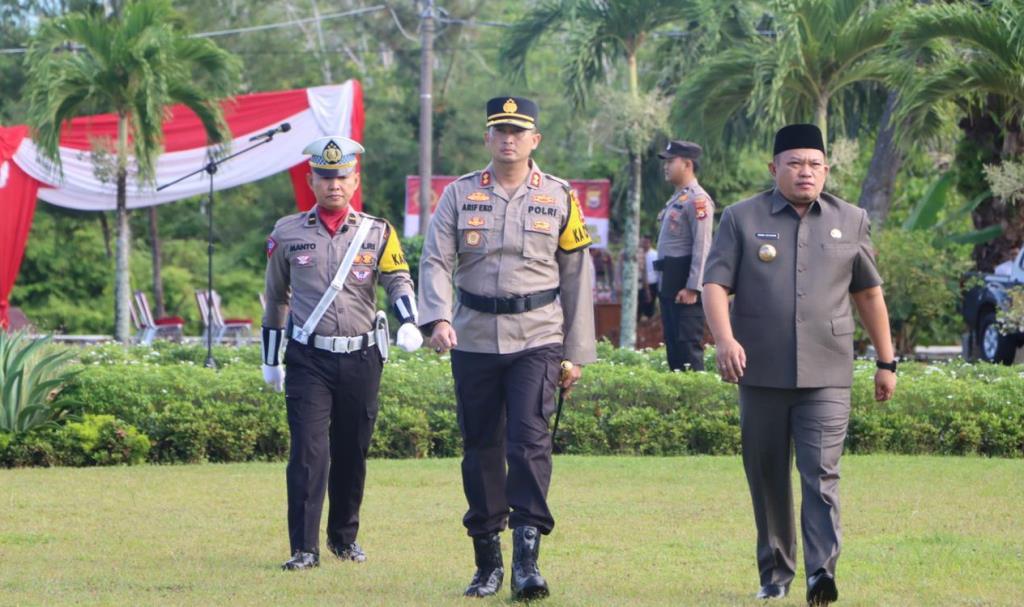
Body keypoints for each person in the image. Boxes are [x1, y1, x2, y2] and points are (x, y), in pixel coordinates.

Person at [702, 124, 897, 605]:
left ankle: (820, 574)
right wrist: (724, 340)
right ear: (774, 169)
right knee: (767, 475)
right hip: (760, 370)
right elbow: (714, 285)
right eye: (794, 162)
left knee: (821, 473)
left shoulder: (851, 219)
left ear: (826, 169)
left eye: (813, 163)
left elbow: (868, 293)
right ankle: (775, 573)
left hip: (828, 372)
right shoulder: (741, 218)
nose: (804, 171)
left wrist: (886, 360)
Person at [418, 96, 596, 600]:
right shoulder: (458, 194)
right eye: (500, 130)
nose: (509, 139)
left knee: (529, 443)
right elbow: (435, 258)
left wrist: (576, 352)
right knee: (480, 449)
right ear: (488, 138)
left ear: (534, 140)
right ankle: (486, 562)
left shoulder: (560, 196)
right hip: (472, 336)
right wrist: (437, 318)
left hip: (537, 336)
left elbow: (577, 275)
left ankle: (526, 563)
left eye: (519, 131)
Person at [260, 135, 423, 571]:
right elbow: (275, 298)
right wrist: (270, 359)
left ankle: (343, 538)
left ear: (355, 180)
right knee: (309, 452)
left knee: (352, 450)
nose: (335, 184)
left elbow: (397, 279)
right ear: (311, 179)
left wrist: (409, 319)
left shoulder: (377, 231)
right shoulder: (287, 232)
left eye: (343, 177)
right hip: (308, 358)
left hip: (360, 356)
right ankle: (304, 548)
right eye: (326, 176)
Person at [654, 140, 714, 370]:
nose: (665, 167)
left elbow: (703, 245)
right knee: (674, 347)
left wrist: (693, 287)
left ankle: (693, 404)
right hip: (670, 281)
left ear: (687, 164)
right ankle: (678, 402)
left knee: (688, 346)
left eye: (671, 161)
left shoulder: (697, 200)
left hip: (685, 285)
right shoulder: (679, 198)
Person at [638, 235, 659, 319]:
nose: (644, 244)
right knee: (639, 306)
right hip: (639, 284)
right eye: (643, 242)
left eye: (646, 242)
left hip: (652, 283)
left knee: (650, 307)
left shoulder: (655, 254)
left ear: (650, 243)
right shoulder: (638, 253)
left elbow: (657, 271)